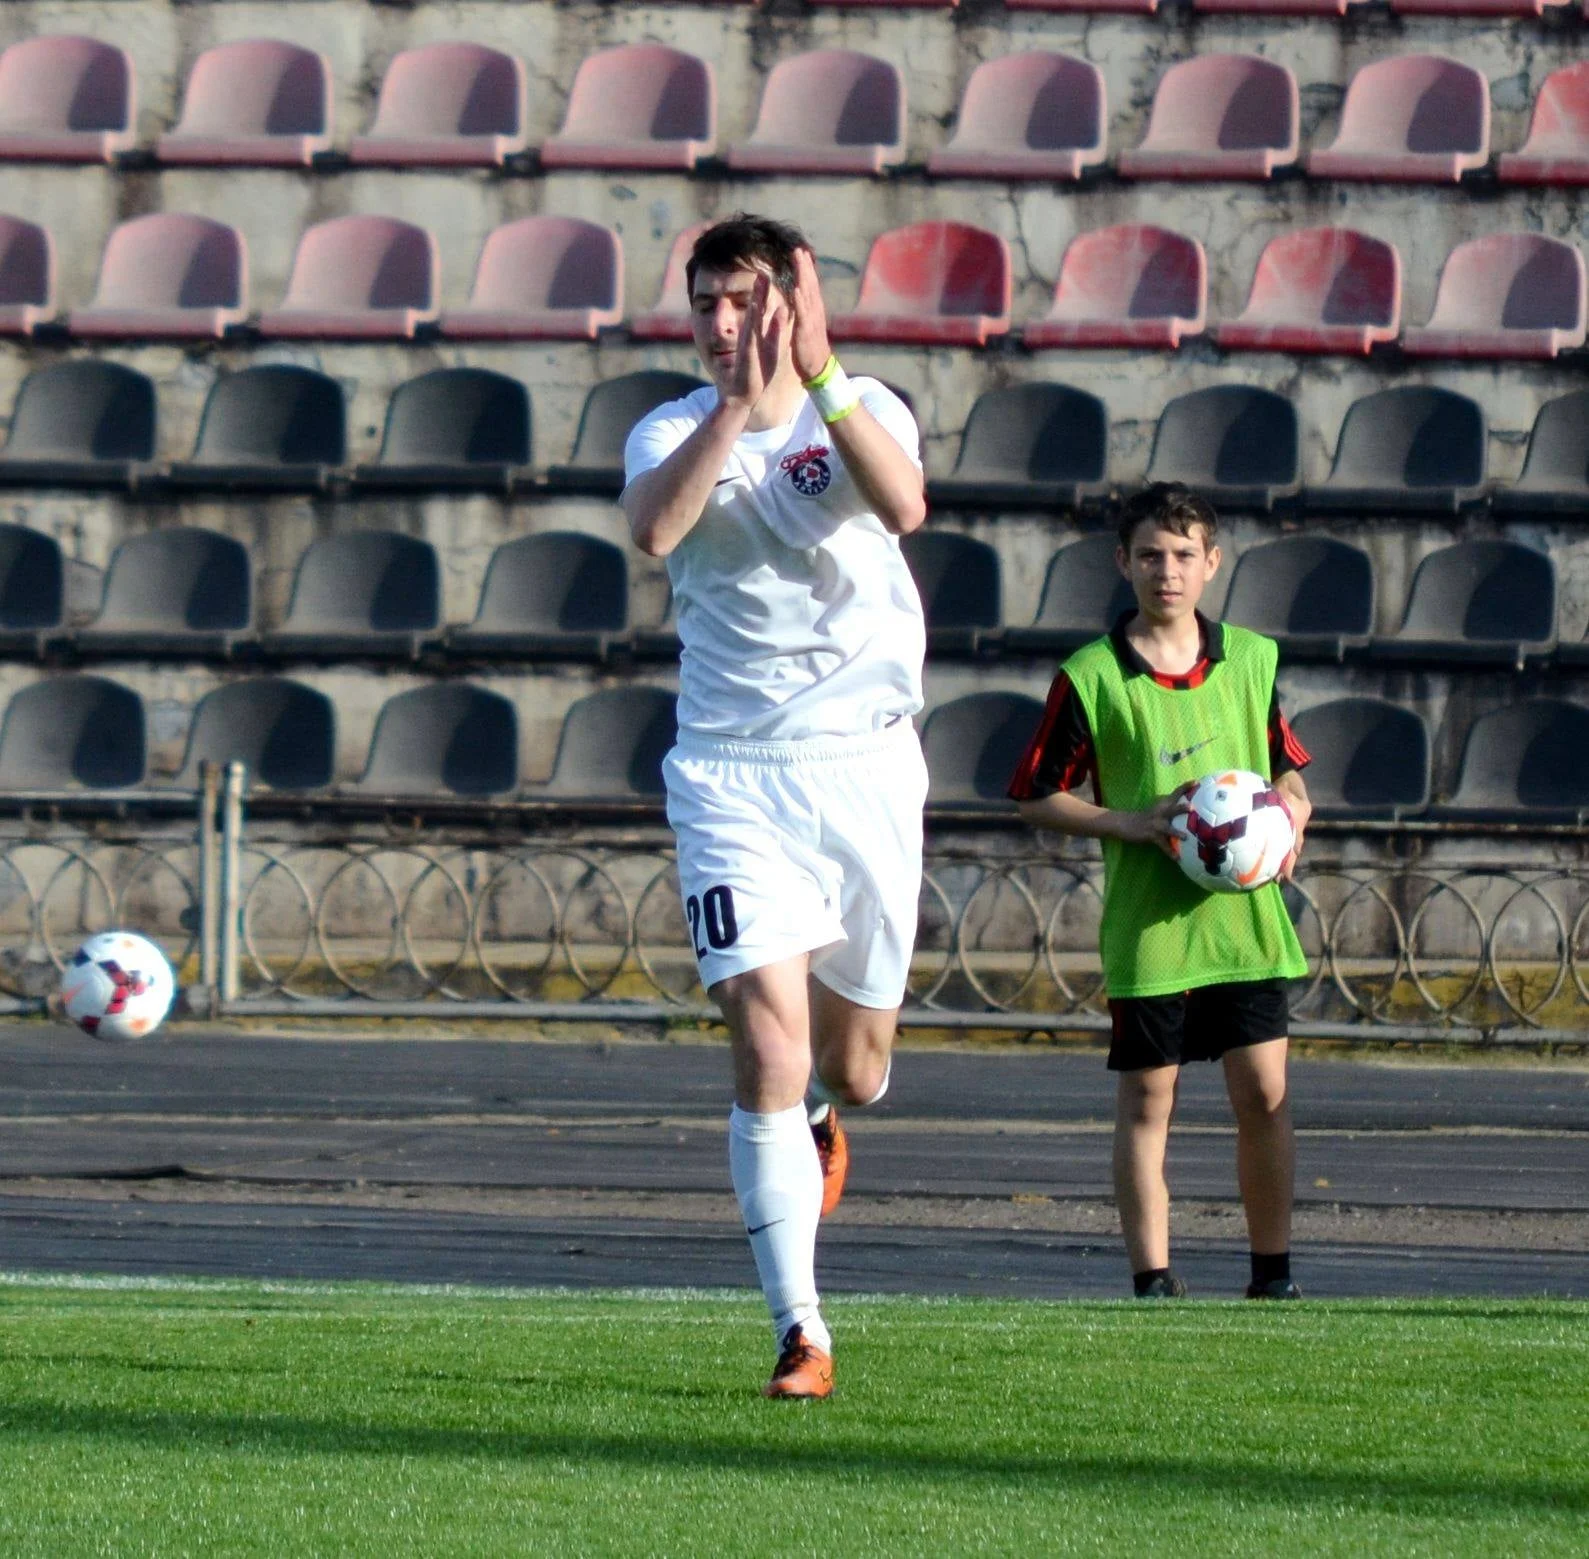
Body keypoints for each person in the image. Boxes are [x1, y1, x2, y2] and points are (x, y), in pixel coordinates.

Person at [622, 215, 929, 1396]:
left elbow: (901, 505)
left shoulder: (863, 405)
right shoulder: (667, 428)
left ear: (791, 304)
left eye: (743, 299)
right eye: (704, 302)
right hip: (729, 773)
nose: (720, 322)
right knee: (764, 1047)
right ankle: (801, 1327)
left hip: (863, 765)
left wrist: (820, 374)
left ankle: (823, 1121)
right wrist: (733, 412)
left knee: (853, 1068)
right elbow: (654, 527)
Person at [1007, 483, 1313, 1301]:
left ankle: (1272, 1276)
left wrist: (1293, 807)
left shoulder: (1251, 658)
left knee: (1264, 1094)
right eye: (1149, 554)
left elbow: (1284, 766)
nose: (1166, 570)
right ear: (1123, 562)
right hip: (1150, 929)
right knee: (1149, 1099)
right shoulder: (1091, 675)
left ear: (1211, 563)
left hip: (1243, 925)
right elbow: (1035, 794)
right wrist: (1130, 822)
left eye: (1182, 554)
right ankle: (1152, 1277)